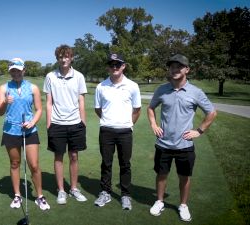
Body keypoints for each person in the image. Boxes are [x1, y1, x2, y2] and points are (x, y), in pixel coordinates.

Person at [147, 54, 217, 222]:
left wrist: (199, 131)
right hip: (163, 144)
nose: (175, 69)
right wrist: (154, 125)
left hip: (184, 145)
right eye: (172, 66)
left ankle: (183, 205)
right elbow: (151, 108)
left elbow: (212, 112)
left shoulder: (196, 92)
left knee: (184, 177)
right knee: (161, 174)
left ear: (187, 69)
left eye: (179, 66)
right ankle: (159, 201)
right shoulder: (162, 89)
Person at [0, 58, 50, 211]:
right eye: (13, 70)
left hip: (29, 130)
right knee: (15, 164)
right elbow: (0, 113)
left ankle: (39, 196)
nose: (16, 73)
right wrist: (5, 102)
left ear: (24, 71)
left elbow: (39, 109)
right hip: (11, 131)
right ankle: (17, 195)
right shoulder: (3, 88)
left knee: (34, 165)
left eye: (18, 70)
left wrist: (32, 122)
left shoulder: (33, 87)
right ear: (10, 72)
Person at [93, 53, 141, 210]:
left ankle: (125, 195)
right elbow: (98, 109)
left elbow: (137, 109)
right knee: (106, 163)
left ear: (123, 66)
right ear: (108, 67)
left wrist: (127, 124)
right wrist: (108, 121)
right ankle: (105, 192)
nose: (114, 67)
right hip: (106, 130)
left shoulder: (133, 86)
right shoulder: (101, 86)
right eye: (112, 64)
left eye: (117, 64)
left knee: (125, 164)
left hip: (125, 131)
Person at [43, 44, 88, 204]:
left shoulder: (79, 76)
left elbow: (81, 100)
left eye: (67, 56)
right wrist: (49, 123)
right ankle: (61, 190)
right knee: (58, 157)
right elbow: (49, 102)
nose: (64, 59)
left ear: (71, 58)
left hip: (75, 123)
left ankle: (74, 188)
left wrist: (83, 122)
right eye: (61, 57)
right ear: (57, 58)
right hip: (56, 123)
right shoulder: (50, 76)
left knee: (74, 156)